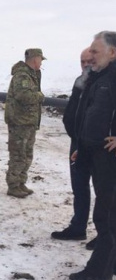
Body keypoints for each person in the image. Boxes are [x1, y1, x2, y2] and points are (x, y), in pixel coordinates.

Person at [69, 31, 116, 280]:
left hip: (110, 156)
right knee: (110, 214)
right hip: (95, 153)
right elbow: (91, 116)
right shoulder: (101, 77)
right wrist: (82, 148)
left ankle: (99, 271)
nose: (91, 56)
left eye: (96, 51)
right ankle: (111, 263)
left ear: (113, 52)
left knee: (105, 216)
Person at [51, 48, 93, 241]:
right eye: (82, 61)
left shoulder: (106, 82)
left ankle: (106, 237)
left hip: (98, 144)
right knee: (79, 186)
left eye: (89, 61)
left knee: (105, 192)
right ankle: (78, 227)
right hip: (77, 142)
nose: (85, 65)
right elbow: (73, 111)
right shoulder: (80, 82)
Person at [4, 48, 46, 198]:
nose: (41, 63)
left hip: (28, 122)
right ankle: (13, 186)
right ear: (35, 59)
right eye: (41, 59)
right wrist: (39, 96)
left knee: (27, 154)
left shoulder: (31, 75)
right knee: (18, 154)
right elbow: (23, 95)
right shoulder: (22, 75)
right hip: (19, 122)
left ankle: (21, 182)